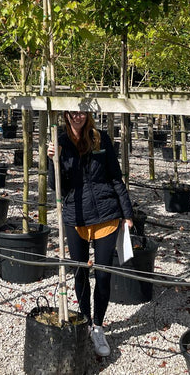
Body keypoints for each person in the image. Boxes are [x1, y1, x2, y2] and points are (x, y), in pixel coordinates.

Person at [47, 111, 134, 358]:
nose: (77, 116)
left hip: (106, 214)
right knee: (79, 272)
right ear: (65, 114)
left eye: (81, 111)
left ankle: (98, 325)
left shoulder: (100, 139)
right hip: (76, 216)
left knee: (104, 275)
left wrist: (128, 214)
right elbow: (57, 186)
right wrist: (52, 160)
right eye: (72, 112)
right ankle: (84, 320)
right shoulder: (60, 142)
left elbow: (116, 177)